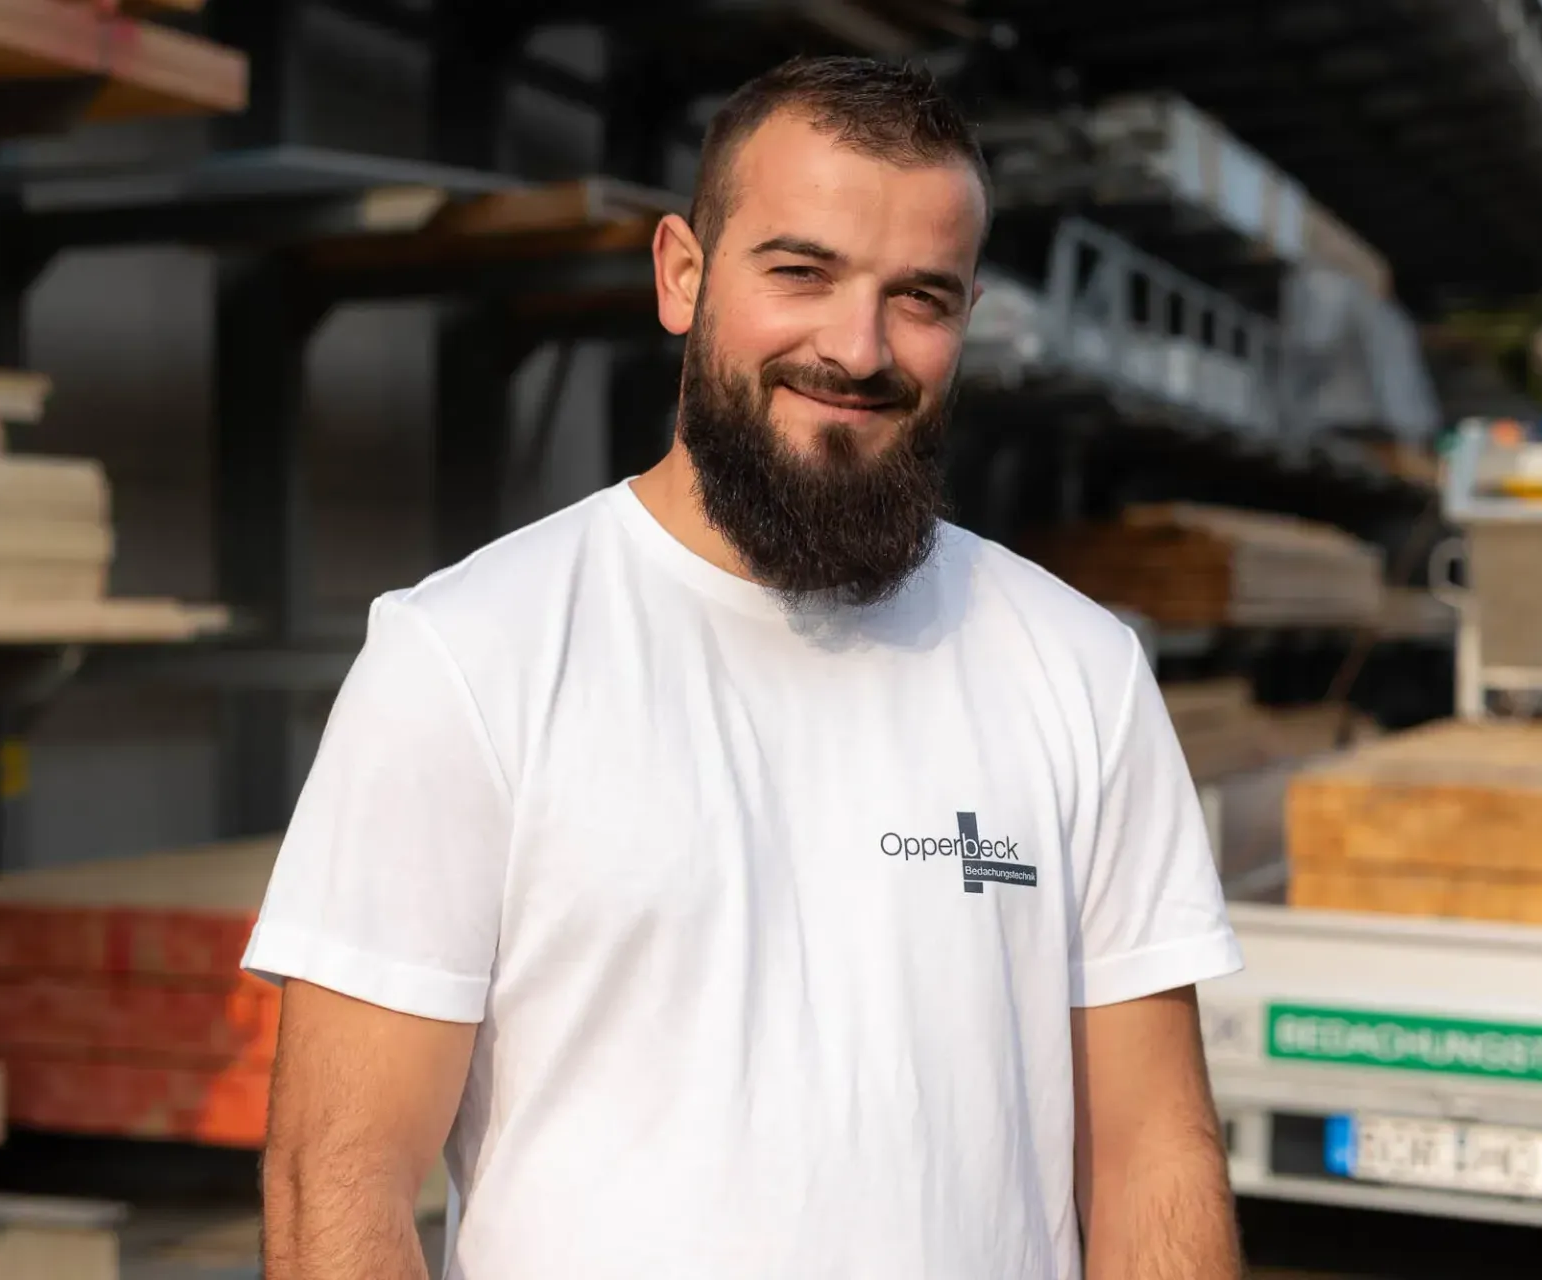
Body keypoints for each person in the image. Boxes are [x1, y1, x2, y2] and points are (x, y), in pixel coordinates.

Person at [245, 54, 1245, 1280]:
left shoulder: (1079, 670)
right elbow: (337, 1180)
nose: (857, 345)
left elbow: (1156, 1157)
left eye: (919, 296)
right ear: (682, 272)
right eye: (801, 271)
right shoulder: (470, 655)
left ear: (966, 318)